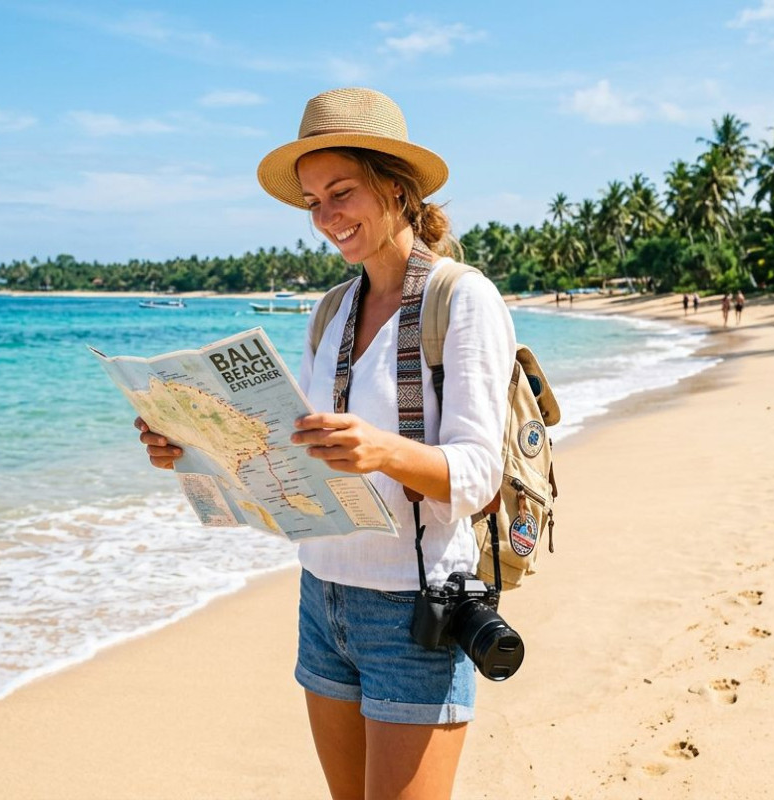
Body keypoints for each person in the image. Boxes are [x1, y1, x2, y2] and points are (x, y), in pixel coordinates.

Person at [136, 87, 516, 799]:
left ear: (396, 189)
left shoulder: (461, 299)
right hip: (323, 598)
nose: (326, 217)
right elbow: (289, 453)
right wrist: (187, 445)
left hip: (416, 608)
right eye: (313, 202)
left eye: (341, 192)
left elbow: (480, 477)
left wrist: (382, 450)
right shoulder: (331, 312)